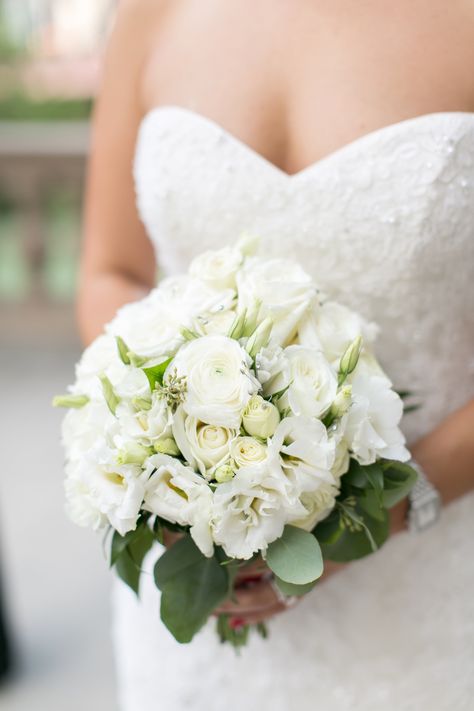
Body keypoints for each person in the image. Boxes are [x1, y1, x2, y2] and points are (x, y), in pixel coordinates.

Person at [78, 1, 474, 709]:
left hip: (430, 593)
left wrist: (385, 511)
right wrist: (167, 460)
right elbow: (112, 269)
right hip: (197, 627)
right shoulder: (151, 13)